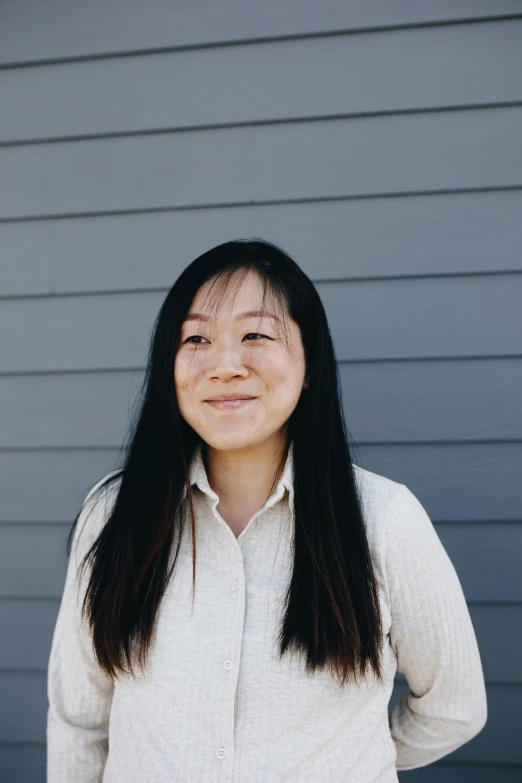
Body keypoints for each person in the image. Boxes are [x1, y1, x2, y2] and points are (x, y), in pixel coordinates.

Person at [46, 238, 487, 782]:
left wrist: (348, 758)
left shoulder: (384, 519)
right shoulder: (113, 513)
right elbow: (79, 721)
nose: (225, 365)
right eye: (196, 338)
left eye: (256, 334)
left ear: (309, 363)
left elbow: (454, 707)